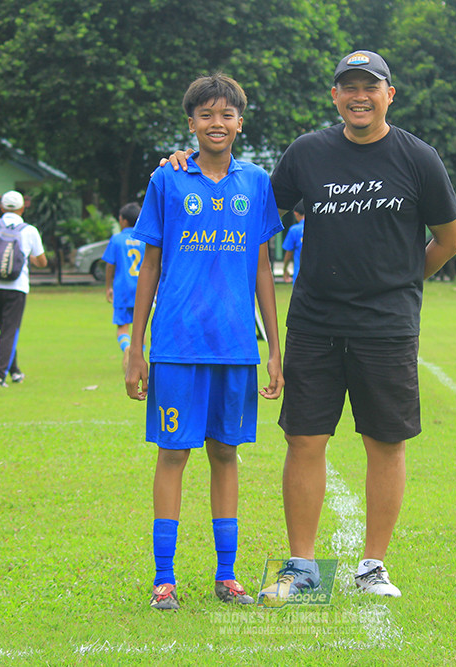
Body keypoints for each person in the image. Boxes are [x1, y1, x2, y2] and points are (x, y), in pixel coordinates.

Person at [168, 50, 456, 600]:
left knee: (385, 442)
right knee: (304, 439)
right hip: (315, 323)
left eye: (370, 87)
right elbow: (248, 211)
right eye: (348, 86)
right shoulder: (307, 153)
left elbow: (450, 240)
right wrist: (188, 166)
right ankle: (301, 566)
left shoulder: (418, 159)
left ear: (388, 95)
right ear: (334, 96)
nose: (359, 96)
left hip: (386, 327)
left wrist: (402, 281)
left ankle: (373, 565)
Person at [125, 73, 284, 612]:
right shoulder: (167, 180)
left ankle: (226, 574)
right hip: (176, 345)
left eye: (227, 115)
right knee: (173, 455)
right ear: (190, 123)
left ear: (241, 122)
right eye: (206, 115)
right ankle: (164, 577)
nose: (217, 124)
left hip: (236, 345)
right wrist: (134, 346)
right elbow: (149, 265)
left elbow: (262, 268)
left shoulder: (257, 182)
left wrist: (273, 348)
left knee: (225, 454)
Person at [0, 190, 47, 387]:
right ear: (22, 208)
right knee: (9, 330)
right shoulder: (29, 230)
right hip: (17, 286)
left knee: (5, 329)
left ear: (1, 208)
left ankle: (15, 371)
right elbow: (42, 261)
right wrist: (29, 257)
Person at [103, 202, 144, 356]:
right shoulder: (145, 239)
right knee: (140, 327)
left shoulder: (117, 239)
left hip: (122, 288)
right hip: (142, 288)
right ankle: (139, 355)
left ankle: (127, 348)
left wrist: (108, 287)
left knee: (122, 326)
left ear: (123, 220)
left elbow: (109, 265)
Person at [281, 200, 305, 283]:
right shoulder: (317, 227)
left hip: (300, 275)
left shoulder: (294, 230)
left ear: (295, 213)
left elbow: (289, 253)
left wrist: (285, 270)